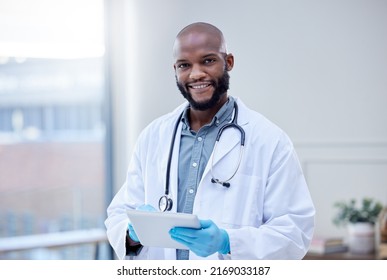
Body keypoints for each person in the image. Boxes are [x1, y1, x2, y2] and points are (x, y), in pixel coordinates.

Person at [105, 22, 315, 260]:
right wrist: (132, 234)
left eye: (208, 60)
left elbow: (294, 232)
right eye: (185, 65)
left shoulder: (270, 140)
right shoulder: (153, 137)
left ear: (229, 62)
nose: (196, 74)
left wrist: (228, 243)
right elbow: (120, 214)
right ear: (175, 69)